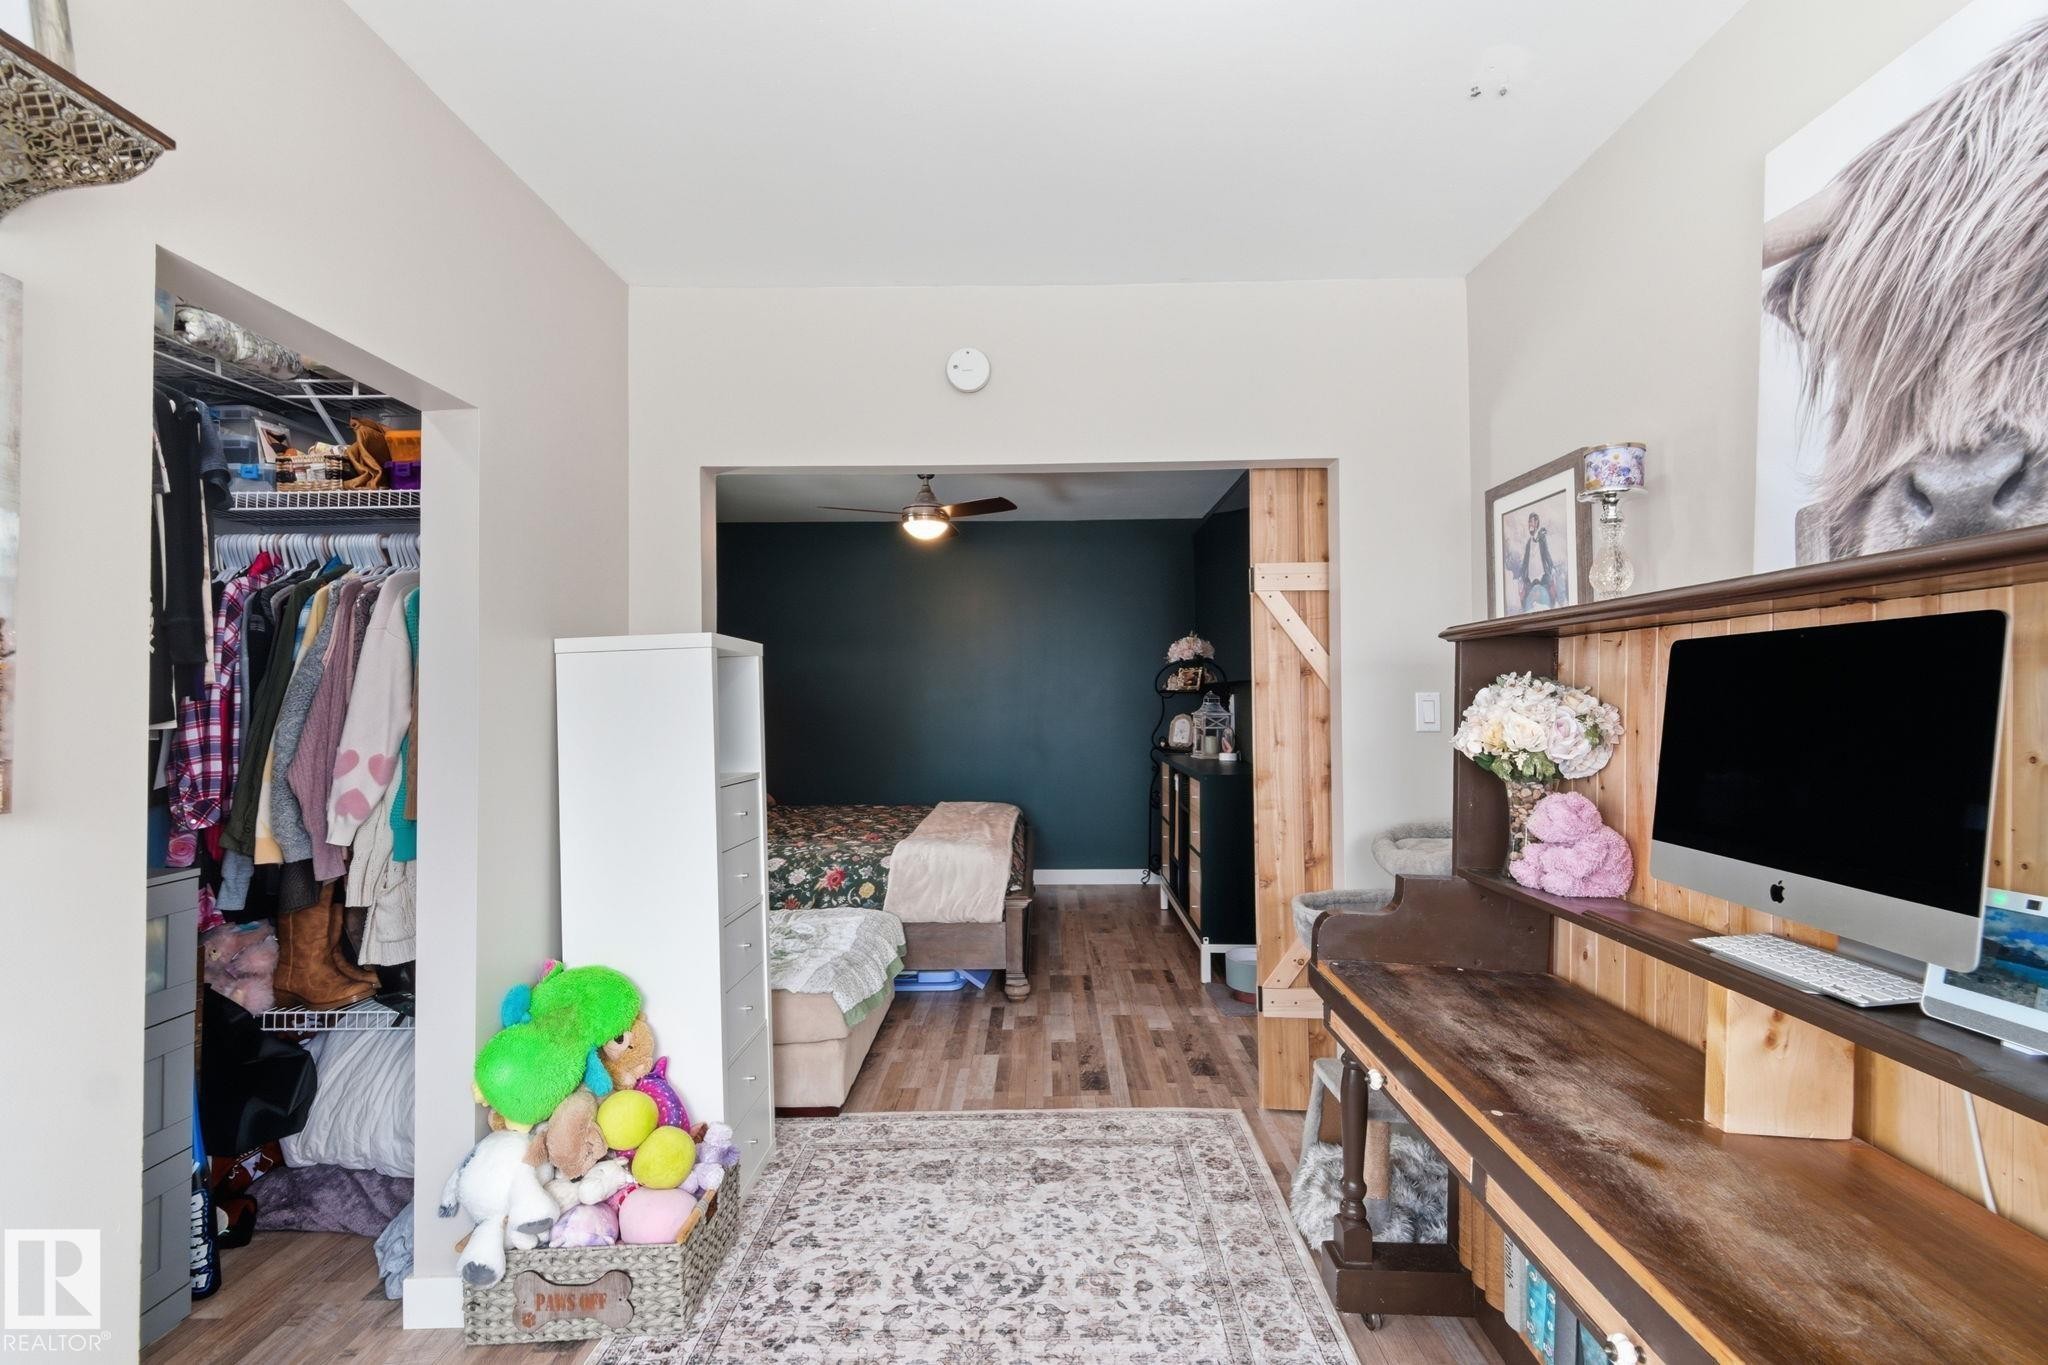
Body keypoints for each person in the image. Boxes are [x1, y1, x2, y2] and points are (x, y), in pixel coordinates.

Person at [1518, 511, 1558, 612]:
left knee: (1546, 603)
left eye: (1533, 521)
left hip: (1542, 576)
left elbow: (1547, 554)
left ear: (1537, 523)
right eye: (1529, 522)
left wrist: (1552, 567)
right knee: (1528, 605)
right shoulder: (1528, 543)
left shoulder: (1542, 538)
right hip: (1530, 579)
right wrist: (1521, 575)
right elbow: (1525, 562)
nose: (1530, 524)